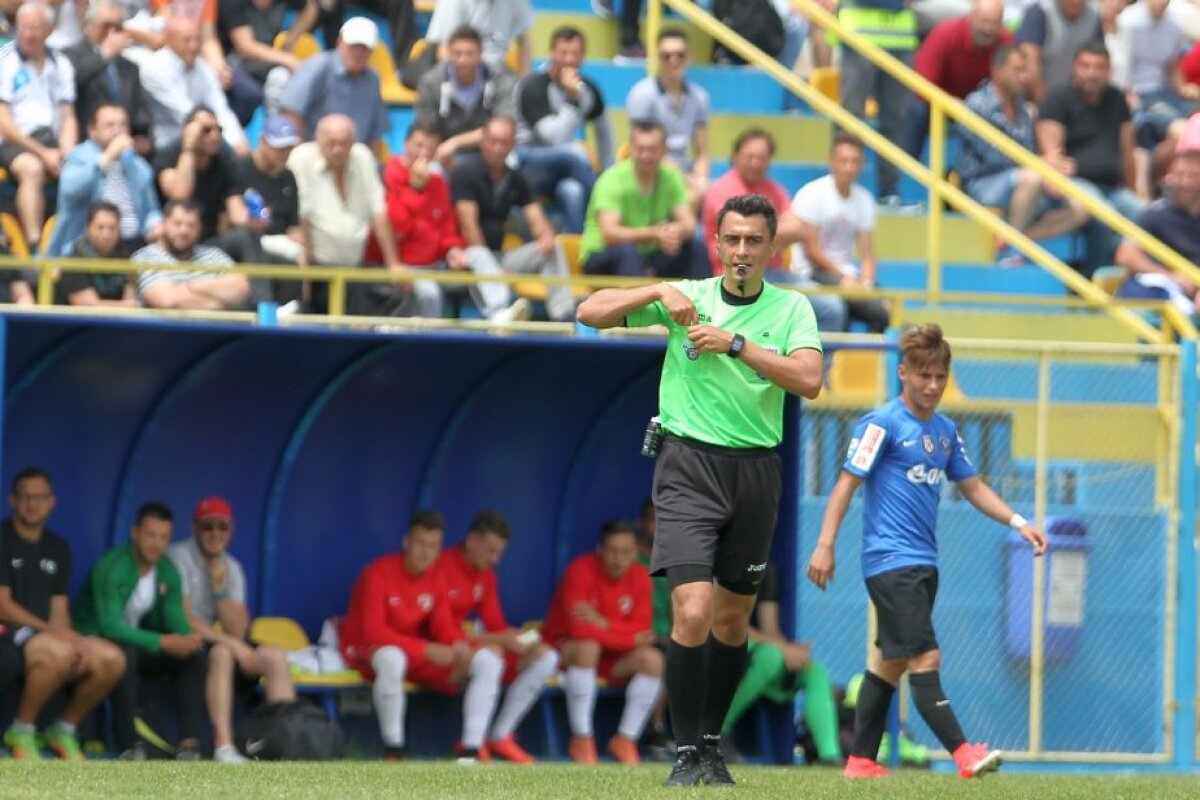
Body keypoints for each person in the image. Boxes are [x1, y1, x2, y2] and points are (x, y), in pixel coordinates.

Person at [576, 194, 824, 786]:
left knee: (733, 622)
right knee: (691, 610)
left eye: (753, 241)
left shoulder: (792, 309)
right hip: (688, 465)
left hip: (756, 470)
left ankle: (711, 745)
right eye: (732, 239)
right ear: (717, 243)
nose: (741, 251)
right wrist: (656, 292)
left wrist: (737, 344)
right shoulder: (687, 296)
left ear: (771, 248)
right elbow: (588, 310)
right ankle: (684, 751)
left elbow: (810, 380)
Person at [806, 323, 1048, 780]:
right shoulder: (882, 424)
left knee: (889, 663)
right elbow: (845, 484)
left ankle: (859, 762)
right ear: (904, 373)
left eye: (940, 376)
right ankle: (963, 754)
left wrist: (1019, 523)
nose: (932, 385)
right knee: (925, 657)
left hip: (922, 563)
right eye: (924, 376)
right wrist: (824, 545)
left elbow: (972, 486)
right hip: (890, 560)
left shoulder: (945, 430)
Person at [339, 510, 506, 763]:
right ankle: (394, 749)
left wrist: (463, 645)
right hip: (366, 652)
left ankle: (469, 753)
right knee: (392, 658)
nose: (424, 552)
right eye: (419, 543)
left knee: (487, 662)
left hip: (413, 653)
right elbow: (373, 633)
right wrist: (425, 650)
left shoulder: (436, 577)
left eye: (432, 546)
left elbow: (442, 627)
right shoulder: (377, 573)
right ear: (406, 542)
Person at [0, 467, 125, 761]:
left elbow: (59, 609)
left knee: (111, 658)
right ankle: (21, 729)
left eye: (40, 497)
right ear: (12, 500)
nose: (33, 503)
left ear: (52, 502)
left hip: (44, 634)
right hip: (9, 632)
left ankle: (64, 729)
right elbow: (3, 605)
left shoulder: (59, 547)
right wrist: (53, 633)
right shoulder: (2, 539)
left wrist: (74, 641)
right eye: (26, 496)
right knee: (56, 650)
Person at [73, 501, 208, 761]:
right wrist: (162, 642)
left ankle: (189, 745)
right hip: (93, 643)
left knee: (193, 656)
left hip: (138, 642)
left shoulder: (167, 571)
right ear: (135, 533)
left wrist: (188, 639)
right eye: (150, 534)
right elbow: (108, 626)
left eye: (163, 537)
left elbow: (175, 619)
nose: (156, 543)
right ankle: (129, 746)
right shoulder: (111, 566)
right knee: (124, 654)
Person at [168, 496, 296, 765]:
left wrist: (220, 590)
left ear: (231, 530)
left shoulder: (232, 567)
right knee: (224, 652)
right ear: (195, 529)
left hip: (220, 638)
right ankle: (223, 746)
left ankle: (287, 743)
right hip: (185, 640)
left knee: (275, 656)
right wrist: (233, 643)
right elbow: (184, 619)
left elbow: (238, 629)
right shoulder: (179, 557)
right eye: (208, 526)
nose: (215, 533)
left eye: (222, 527)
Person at [434, 510, 560, 764]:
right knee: (491, 655)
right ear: (472, 541)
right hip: (440, 654)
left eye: (500, 552)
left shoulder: (486, 574)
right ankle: (471, 746)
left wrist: (516, 639)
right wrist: (500, 639)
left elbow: (495, 624)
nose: (496, 559)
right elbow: (444, 633)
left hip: (469, 651)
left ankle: (501, 735)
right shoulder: (441, 566)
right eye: (491, 551)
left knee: (545, 655)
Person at [540, 520, 664, 765]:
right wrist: (627, 636)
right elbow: (578, 629)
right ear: (600, 549)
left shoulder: (640, 576)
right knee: (588, 647)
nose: (618, 559)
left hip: (611, 656)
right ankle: (582, 740)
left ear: (636, 552)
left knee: (653, 660)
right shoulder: (580, 570)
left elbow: (643, 630)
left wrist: (603, 623)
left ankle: (625, 740)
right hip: (566, 651)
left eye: (626, 552)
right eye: (612, 550)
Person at [698, 129, 845, 332]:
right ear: (735, 156)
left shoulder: (775, 190)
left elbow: (801, 228)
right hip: (734, 273)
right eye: (750, 156)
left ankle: (809, 362)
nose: (755, 162)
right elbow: (743, 231)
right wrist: (774, 231)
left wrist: (768, 233)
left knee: (831, 307)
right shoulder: (721, 189)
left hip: (776, 274)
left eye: (762, 158)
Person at [957, 46, 1089, 245]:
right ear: (997, 70)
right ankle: (1013, 249)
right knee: (1032, 178)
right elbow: (994, 157)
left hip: (1023, 180)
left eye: (1025, 70)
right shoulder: (976, 105)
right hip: (983, 184)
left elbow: (1030, 156)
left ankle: (1014, 243)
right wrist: (1042, 165)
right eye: (1017, 70)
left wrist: (1051, 172)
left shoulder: (1025, 109)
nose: (1024, 77)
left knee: (1081, 208)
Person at [1037, 41, 1145, 277]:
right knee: (1103, 214)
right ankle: (1093, 283)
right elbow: (1051, 151)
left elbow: (1128, 152)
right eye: (1085, 66)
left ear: (1109, 70)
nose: (1091, 73)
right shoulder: (1058, 98)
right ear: (1074, 67)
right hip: (1074, 184)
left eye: (1098, 67)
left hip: (1112, 188)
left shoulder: (1117, 99)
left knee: (1145, 216)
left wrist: (1134, 189)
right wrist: (1054, 172)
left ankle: (1131, 282)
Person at [719, 562, 842, 766]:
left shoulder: (765, 569)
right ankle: (717, 733)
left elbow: (770, 630)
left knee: (814, 670)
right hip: (719, 646)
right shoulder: (719, 562)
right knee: (771, 656)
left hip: (758, 650)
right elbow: (726, 625)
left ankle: (829, 756)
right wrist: (783, 649)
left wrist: (791, 650)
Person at [450, 116, 569, 322]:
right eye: (493, 141)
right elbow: (469, 228)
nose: (497, 148)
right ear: (483, 141)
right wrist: (493, 270)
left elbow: (537, 218)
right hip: (464, 256)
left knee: (552, 248)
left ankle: (564, 315)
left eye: (504, 142)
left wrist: (546, 236)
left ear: (513, 145)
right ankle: (499, 312)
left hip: (500, 258)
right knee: (479, 254)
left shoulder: (516, 178)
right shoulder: (464, 172)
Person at [287, 114, 406, 314]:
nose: (338, 150)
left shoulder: (362, 156)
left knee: (404, 291)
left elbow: (378, 211)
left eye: (344, 144)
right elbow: (302, 215)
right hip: (318, 266)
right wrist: (306, 265)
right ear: (318, 141)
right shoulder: (302, 158)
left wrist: (393, 263)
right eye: (331, 143)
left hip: (355, 266)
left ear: (353, 143)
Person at [514, 25, 612, 235]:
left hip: (564, 169)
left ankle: (576, 249)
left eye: (575, 54)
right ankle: (610, 207)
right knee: (575, 153)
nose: (569, 60)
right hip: (527, 162)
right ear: (551, 54)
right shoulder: (533, 85)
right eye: (563, 53)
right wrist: (572, 100)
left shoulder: (589, 89)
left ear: (583, 56)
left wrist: (606, 169)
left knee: (572, 191)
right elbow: (553, 139)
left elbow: (604, 131)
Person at [790, 134, 891, 334]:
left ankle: (866, 361)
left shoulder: (864, 200)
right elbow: (811, 250)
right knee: (843, 307)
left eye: (855, 162)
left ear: (862, 165)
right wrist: (845, 278)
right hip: (812, 271)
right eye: (843, 161)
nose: (849, 167)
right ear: (831, 162)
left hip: (848, 274)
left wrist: (867, 283)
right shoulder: (812, 194)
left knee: (888, 310)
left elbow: (868, 254)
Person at [0, 1, 79, 252]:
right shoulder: (6, 61)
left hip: (53, 141)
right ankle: (36, 246)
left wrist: (67, 152)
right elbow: (4, 123)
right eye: (23, 27)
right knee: (32, 169)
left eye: (35, 27)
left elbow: (68, 115)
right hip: (16, 142)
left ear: (50, 29)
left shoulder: (62, 64)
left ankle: (73, 242)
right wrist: (43, 154)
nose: (28, 33)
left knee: (84, 169)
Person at [579, 121, 701, 279]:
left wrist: (671, 232)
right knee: (626, 252)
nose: (645, 155)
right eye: (640, 149)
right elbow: (610, 234)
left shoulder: (671, 178)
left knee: (695, 246)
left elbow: (689, 225)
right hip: (601, 255)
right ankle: (640, 302)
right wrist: (654, 233)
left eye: (652, 150)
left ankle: (703, 301)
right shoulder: (612, 179)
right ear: (630, 149)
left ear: (664, 151)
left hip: (648, 254)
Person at [155, 105, 265, 268]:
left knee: (248, 237)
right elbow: (179, 198)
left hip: (210, 243)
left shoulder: (226, 159)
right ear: (188, 131)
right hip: (176, 239)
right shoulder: (170, 154)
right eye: (206, 130)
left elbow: (235, 210)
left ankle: (263, 295)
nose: (214, 136)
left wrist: (254, 219)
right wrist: (189, 148)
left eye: (218, 130)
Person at [48, 103, 162, 257]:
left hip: (133, 244)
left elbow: (151, 208)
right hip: (84, 248)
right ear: (93, 131)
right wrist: (107, 157)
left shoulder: (137, 164)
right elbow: (69, 191)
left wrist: (154, 225)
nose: (118, 130)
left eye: (123, 124)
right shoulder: (78, 157)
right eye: (110, 125)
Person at [903, 0, 1012, 161]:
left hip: (982, 109)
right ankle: (908, 167)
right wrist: (950, 103)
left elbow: (1014, 84)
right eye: (984, 21)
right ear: (971, 18)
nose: (988, 29)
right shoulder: (945, 34)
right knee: (916, 109)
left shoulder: (1006, 43)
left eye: (994, 23)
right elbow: (921, 85)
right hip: (939, 104)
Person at [837, 0, 918, 203]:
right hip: (858, 33)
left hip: (900, 37)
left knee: (895, 120)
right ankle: (842, 187)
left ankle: (889, 190)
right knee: (851, 118)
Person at [1114, 0, 1195, 198]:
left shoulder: (1175, 25)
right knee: (1183, 132)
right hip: (1139, 93)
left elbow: (1170, 66)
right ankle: (1151, 181)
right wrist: (1126, 93)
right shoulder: (1128, 21)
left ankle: (1159, 178)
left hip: (1165, 93)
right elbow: (1122, 64)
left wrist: (1184, 88)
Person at [278, 16, 389, 155]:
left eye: (364, 48)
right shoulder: (318, 67)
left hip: (353, 157)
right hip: (315, 153)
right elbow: (291, 112)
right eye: (353, 46)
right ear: (340, 42)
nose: (358, 52)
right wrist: (299, 155)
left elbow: (375, 133)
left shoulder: (373, 79)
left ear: (372, 50)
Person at [139, 14, 247, 155]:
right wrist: (231, 147)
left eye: (197, 39)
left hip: (207, 136)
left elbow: (221, 108)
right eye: (187, 40)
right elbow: (188, 115)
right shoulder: (155, 68)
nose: (194, 45)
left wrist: (238, 141)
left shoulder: (203, 68)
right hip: (170, 142)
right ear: (169, 40)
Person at [625, 30, 710, 206]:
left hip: (686, 170)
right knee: (689, 200)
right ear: (657, 57)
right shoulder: (642, 94)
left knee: (720, 199)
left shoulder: (700, 96)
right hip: (652, 169)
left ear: (689, 58)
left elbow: (702, 150)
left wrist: (700, 179)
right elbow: (644, 147)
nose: (674, 60)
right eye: (666, 55)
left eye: (680, 54)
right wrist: (689, 182)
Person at [414, 25, 517, 169]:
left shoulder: (500, 81)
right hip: (444, 152)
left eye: (470, 54)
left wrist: (457, 142)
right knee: (431, 170)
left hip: (489, 150)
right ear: (449, 53)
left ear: (481, 53)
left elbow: (504, 127)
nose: (463, 60)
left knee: (513, 162)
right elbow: (426, 129)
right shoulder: (431, 82)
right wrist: (440, 152)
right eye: (458, 53)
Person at [63, 0, 154, 157]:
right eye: (106, 26)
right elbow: (69, 85)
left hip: (125, 145)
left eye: (117, 27)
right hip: (86, 144)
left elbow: (140, 110)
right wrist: (102, 56)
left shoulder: (129, 67)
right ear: (89, 26)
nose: (111, 32)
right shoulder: (69, 56)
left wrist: (143, 138)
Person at [232, 114, 307, 302]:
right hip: (249, 240)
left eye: (288, 148)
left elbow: (292, 224)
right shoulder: (241, 169)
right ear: (263, 142)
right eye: (278, 147)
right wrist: (258, 218)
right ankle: (264, 306)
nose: (284, 153)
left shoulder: (288, 178)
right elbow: (237, 213)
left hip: (281, 240)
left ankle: (301, 308)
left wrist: (299, 238)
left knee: (303, 256)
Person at [1115, 151, 1200, 313]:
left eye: (1194, 176)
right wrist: (1170, 275)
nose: (1186, 182)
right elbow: (1125, 255)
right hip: (1168, 291)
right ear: (1169, 177)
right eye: (1180, 175)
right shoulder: (1155, 214)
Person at [132, 199, 252, 310]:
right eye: (178, 223)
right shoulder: (145, 257)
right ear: (163, 224)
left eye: (191, 225)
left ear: (200, 228)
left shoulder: (213, 254)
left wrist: (194, 287)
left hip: (214, 331)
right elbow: (167, 301)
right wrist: (222, 302)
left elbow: (242, 289)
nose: (184, 230)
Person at [1016, 0, 1104, 103]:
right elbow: (1029, 60)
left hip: (1075, 102)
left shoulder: (1094, 15)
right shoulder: (1040, 12)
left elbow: (1099, 61)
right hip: (1037, 98)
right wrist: (1044, 104)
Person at [55, 201, 137, 306]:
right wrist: (126, 306)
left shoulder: (125, 257)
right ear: (88, 228)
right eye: (100, 227)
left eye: (112, 228)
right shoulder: (74, 261)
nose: (106, 235)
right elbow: (90, 307)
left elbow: (130, 298)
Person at [425, 0, 534, 75]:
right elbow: (443, 49)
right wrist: (451, 82)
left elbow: (524, 40)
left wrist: (524, 80)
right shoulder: (452, 2)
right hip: (463, 69)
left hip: (498, 72)